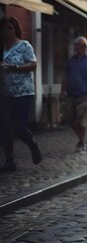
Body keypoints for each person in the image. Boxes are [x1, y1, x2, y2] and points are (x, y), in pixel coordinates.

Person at [0, 16, 42, 172]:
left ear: (15, 29)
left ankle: (32, 144)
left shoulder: (24, 46)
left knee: (19, 128)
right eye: (4, 28)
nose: (6, 31)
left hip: (23, 93)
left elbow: (33, 64)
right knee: (4, 128)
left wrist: (14, 67)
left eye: (10, 28)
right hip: (4, 93)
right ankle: (9, 161)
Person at [59, 36, 87, 152]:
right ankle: (81, 140)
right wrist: (62, 91)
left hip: (84, 95)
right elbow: (65, 77)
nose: (77, 47)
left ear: (85, 47)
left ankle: (81, 142)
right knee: (71, 120)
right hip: (71, 94)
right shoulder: (71, 61)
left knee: (82, 121)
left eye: (79, 45)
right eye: (76, 45)